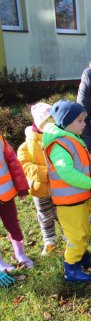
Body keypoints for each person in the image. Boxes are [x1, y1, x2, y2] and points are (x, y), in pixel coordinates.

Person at [42, 100, 91, 282]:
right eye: (80, 121)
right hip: (69, 202)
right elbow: (66, 172)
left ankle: (82, 259)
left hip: (79, 199)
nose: (84, 125)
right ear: (66, 122)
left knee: (83, 231)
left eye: (84, 120)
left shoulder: (72, 139)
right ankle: (71, 269)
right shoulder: (60, 145)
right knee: (76, 235)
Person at [17, 102, 61, 256]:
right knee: (44, 215)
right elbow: (25, 165)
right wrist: (47, 173)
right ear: (38, 123)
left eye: (52, 120)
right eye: (46, 121)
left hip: (60, 187)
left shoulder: (60, 139)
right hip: (39, 188)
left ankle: (68, 236)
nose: (50, 124)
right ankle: (50, 241)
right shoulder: (27, 145)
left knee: (62, 213)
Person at [0, 133, 33, 272]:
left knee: (13, 224)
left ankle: (20, 253)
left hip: (5, 193)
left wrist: (21, 186)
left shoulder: (1, 140)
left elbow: (13, 162)